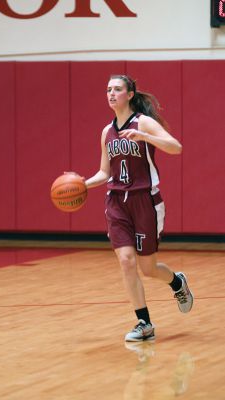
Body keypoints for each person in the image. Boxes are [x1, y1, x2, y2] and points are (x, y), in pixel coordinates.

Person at [85, 74, 193, 341]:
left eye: (117, 89)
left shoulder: (143, 122)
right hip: (116, 202)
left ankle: (177, 282)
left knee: (148, 268)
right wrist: (81, 184)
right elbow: (104, 172)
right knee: (126, 261)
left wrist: (144, 135)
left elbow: (176, 147)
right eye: (108, 89)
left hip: (145, 200)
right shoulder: (106, 132)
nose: (111, 94)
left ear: (130, 94)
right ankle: (144, 323)